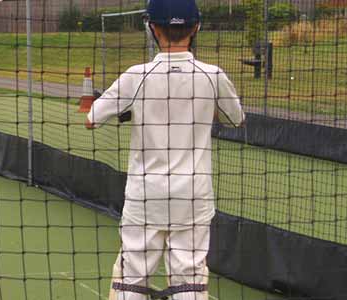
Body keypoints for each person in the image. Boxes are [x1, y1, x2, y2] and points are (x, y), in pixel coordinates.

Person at [84, 1, 245, 299]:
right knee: (190, 280)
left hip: (145, 196)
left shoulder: (136, 75)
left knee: (131, 278)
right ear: (196, 27)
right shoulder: (213, 75)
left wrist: (132, 110)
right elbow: (237, 119)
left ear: (151, 28)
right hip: (193, 197)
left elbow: (91, 119)